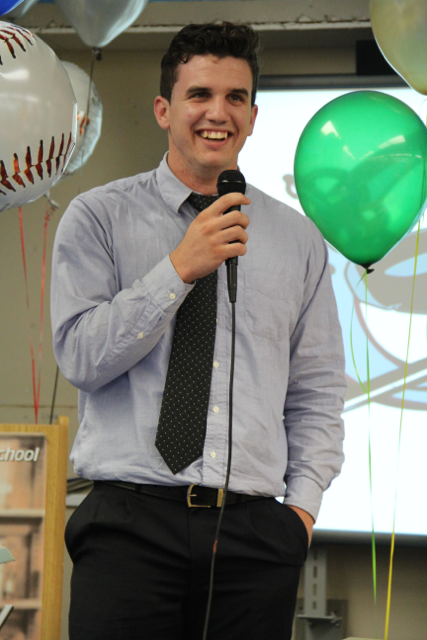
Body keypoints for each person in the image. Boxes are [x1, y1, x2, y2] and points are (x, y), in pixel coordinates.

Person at [51, 22, 347, 640]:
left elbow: (317, 391)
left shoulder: (298, 240)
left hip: (255, 537)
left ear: (254, 115)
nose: (218, 113)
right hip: (129, 526)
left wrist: (300, 513)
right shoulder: (97, 217)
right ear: (164, 109)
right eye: (200, 95)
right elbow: (79, 355)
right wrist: (178, 268)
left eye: (236, 98)